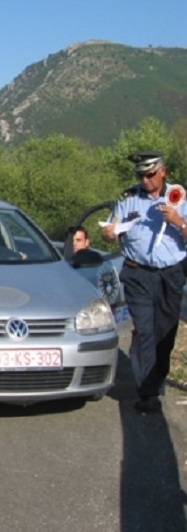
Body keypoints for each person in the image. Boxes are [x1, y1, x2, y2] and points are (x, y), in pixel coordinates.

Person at [102, 150, 187, 414]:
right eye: (141, 175)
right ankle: (147, 392)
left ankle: (155, 380)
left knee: (164, 333)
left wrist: (178, 222)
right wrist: (107, 234)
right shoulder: (128, 199)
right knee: (145, 331)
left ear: (163, 170)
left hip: (170, 274)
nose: (146, 180)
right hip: (137, 272)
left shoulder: (179, 197)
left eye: (150, 174)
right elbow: (111, 232)